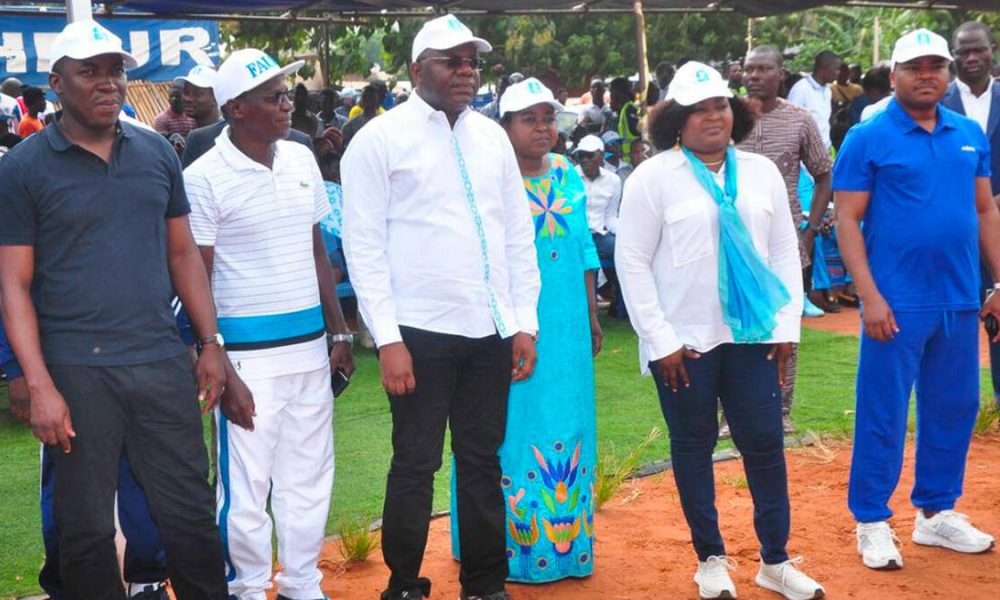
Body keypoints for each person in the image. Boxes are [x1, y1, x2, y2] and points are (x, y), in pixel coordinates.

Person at [0, 19, 228, 600]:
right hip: (77, 371)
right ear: (56, 83)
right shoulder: (22, 168)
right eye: (90, 71)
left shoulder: (156, 152)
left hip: (159, 361)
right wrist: (35, 381)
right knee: (85, 529)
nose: (109, 83)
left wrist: (210, 344)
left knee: (191, 516)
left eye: (116, 70)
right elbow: (13, 285)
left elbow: (183, 255)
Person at [342, 14, 541, 600]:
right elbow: (364, 246)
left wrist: (523, 322)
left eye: (472, 61)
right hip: (418, 333)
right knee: (416, 462)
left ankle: (484, 582)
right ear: (415, 70)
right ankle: (404, 582)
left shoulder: (490, 137)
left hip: (490, 331)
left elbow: (515, 238)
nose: (465, 71)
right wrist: (388, 338)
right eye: (450, 60)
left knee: (481, 460)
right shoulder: (378, 139)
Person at [616, 61, 823, 600]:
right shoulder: (652, 177)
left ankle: (775, 561)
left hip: (753, 338)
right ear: (674, 122)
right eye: (698, 109)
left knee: (764, 443)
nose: (713, 116)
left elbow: (782, 250)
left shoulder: (759, 174)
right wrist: (659, 341)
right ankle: (709, 558)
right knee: (693, 444)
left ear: (736, 112)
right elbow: (632, 263)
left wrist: (785, 327)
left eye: (720, 105)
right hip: (683, 344)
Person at [183, 48, 355, 600]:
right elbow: (196, 280)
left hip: (309, 350)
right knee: (246, 488)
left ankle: (304, 583)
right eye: (274, 98)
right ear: (235, 108)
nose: (288, 106)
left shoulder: (302, 159)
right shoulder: (203, 178)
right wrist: (216, 364)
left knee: (308, 479)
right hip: (246, 358)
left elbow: (316, 254)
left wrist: (341, 332)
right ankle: (249, 588)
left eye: (287, 94)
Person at [833, 28, 1000, 572]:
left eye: (936, 66)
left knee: (954, 407)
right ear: (895, 73)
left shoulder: (968, 133)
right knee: (883, 411)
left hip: (958, 297)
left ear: (947, 73)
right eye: (915, 66)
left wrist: (998, 282)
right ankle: (872, 520)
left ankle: (935, 513)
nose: (927, 75)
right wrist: (869, 295)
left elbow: (985, 211)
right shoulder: (868, 136)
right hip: (896, 302)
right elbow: (848, 220)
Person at [448, 77, 602, 583]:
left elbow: (582, 248)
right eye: (528, 119)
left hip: (568, 326)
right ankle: (504, 550)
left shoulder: (569, 174)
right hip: (510, 322)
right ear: (505, 125)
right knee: (509, 428)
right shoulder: (490, 177)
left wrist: (592, 314)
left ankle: (567, 547)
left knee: (568, 420)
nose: (542, 128)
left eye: (547, 118)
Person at [738, 44, 834, 434]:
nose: (754, 76)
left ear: (781, 74)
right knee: (735, 326)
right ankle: (732, 416)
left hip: (787, 240)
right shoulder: (726, 117)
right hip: (735, 240)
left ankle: (781, 411)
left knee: (784, 325)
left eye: (763, 69)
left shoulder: (800, 120)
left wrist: (810, 229)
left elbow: (824, 173)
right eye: (749, 70)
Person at [943, 21, 1000, 409]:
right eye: (962, 51)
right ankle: (955, 405)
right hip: (953, 227)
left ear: (991, 48)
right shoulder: (937, 102)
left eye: (977, 49)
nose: (971, 57)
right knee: (954, 315)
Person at [574, 134, 622, 315]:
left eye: (589, 155)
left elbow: (611, 216)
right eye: (581, 156)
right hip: (579, 234)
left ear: (601, 156)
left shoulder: (613, 180)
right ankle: (589, 311)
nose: (585, 160)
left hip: (601, 233)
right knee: (587, 258)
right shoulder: (571, 176)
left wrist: (624, 236)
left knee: (626, 250)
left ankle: (622, 306)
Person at [787, 50, 841, 149]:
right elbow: (790, 124)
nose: (839, 73)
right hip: (804, 156)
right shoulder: (801, 89)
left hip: (824, 152)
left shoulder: (827, 90)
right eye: (836, 69)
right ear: (825, 68)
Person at [176, 64, 221, 129]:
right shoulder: (191, 133)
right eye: (186, 92)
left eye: (197, 93)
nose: (188, 99)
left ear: (215, 97)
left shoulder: (227, 135)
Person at [608, 77, 640, 162]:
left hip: (632, 162)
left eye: (611, 92)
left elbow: (638, 134)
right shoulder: (623, 110)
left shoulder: (629, 109)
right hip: (626, 162)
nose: (610, 96)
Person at [342, 85, 380, 149]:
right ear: (361, 100)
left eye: (371, 98)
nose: (369, 101)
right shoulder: (350, 125)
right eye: (365, 97)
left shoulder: (383, 123)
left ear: (377, 100)